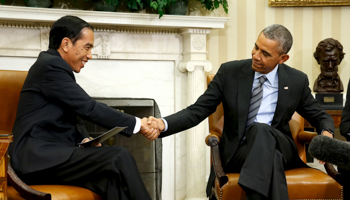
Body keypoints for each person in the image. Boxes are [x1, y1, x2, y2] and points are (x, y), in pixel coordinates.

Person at [149, 24, 335, 200]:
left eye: (265, 53)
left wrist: (326, 135)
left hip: (281, 145)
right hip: (239, 151)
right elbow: (198, 110)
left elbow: (320, 116)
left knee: (260, 130)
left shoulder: (296, 80)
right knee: (271, 157)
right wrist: (162, 123)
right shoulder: (230, 72)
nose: (256, 55)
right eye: (256, 47)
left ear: (283, 58)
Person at [8, 15, 158, 200]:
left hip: (50, 156)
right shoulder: (50, 66)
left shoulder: (53, 67)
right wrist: (138, 123)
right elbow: (88, 107)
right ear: (65, 44)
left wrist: (85, 138)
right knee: (119, 156)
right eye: (87, 47)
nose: (90, 55)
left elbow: (73, 114)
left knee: (109, 180)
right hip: (35, 159)